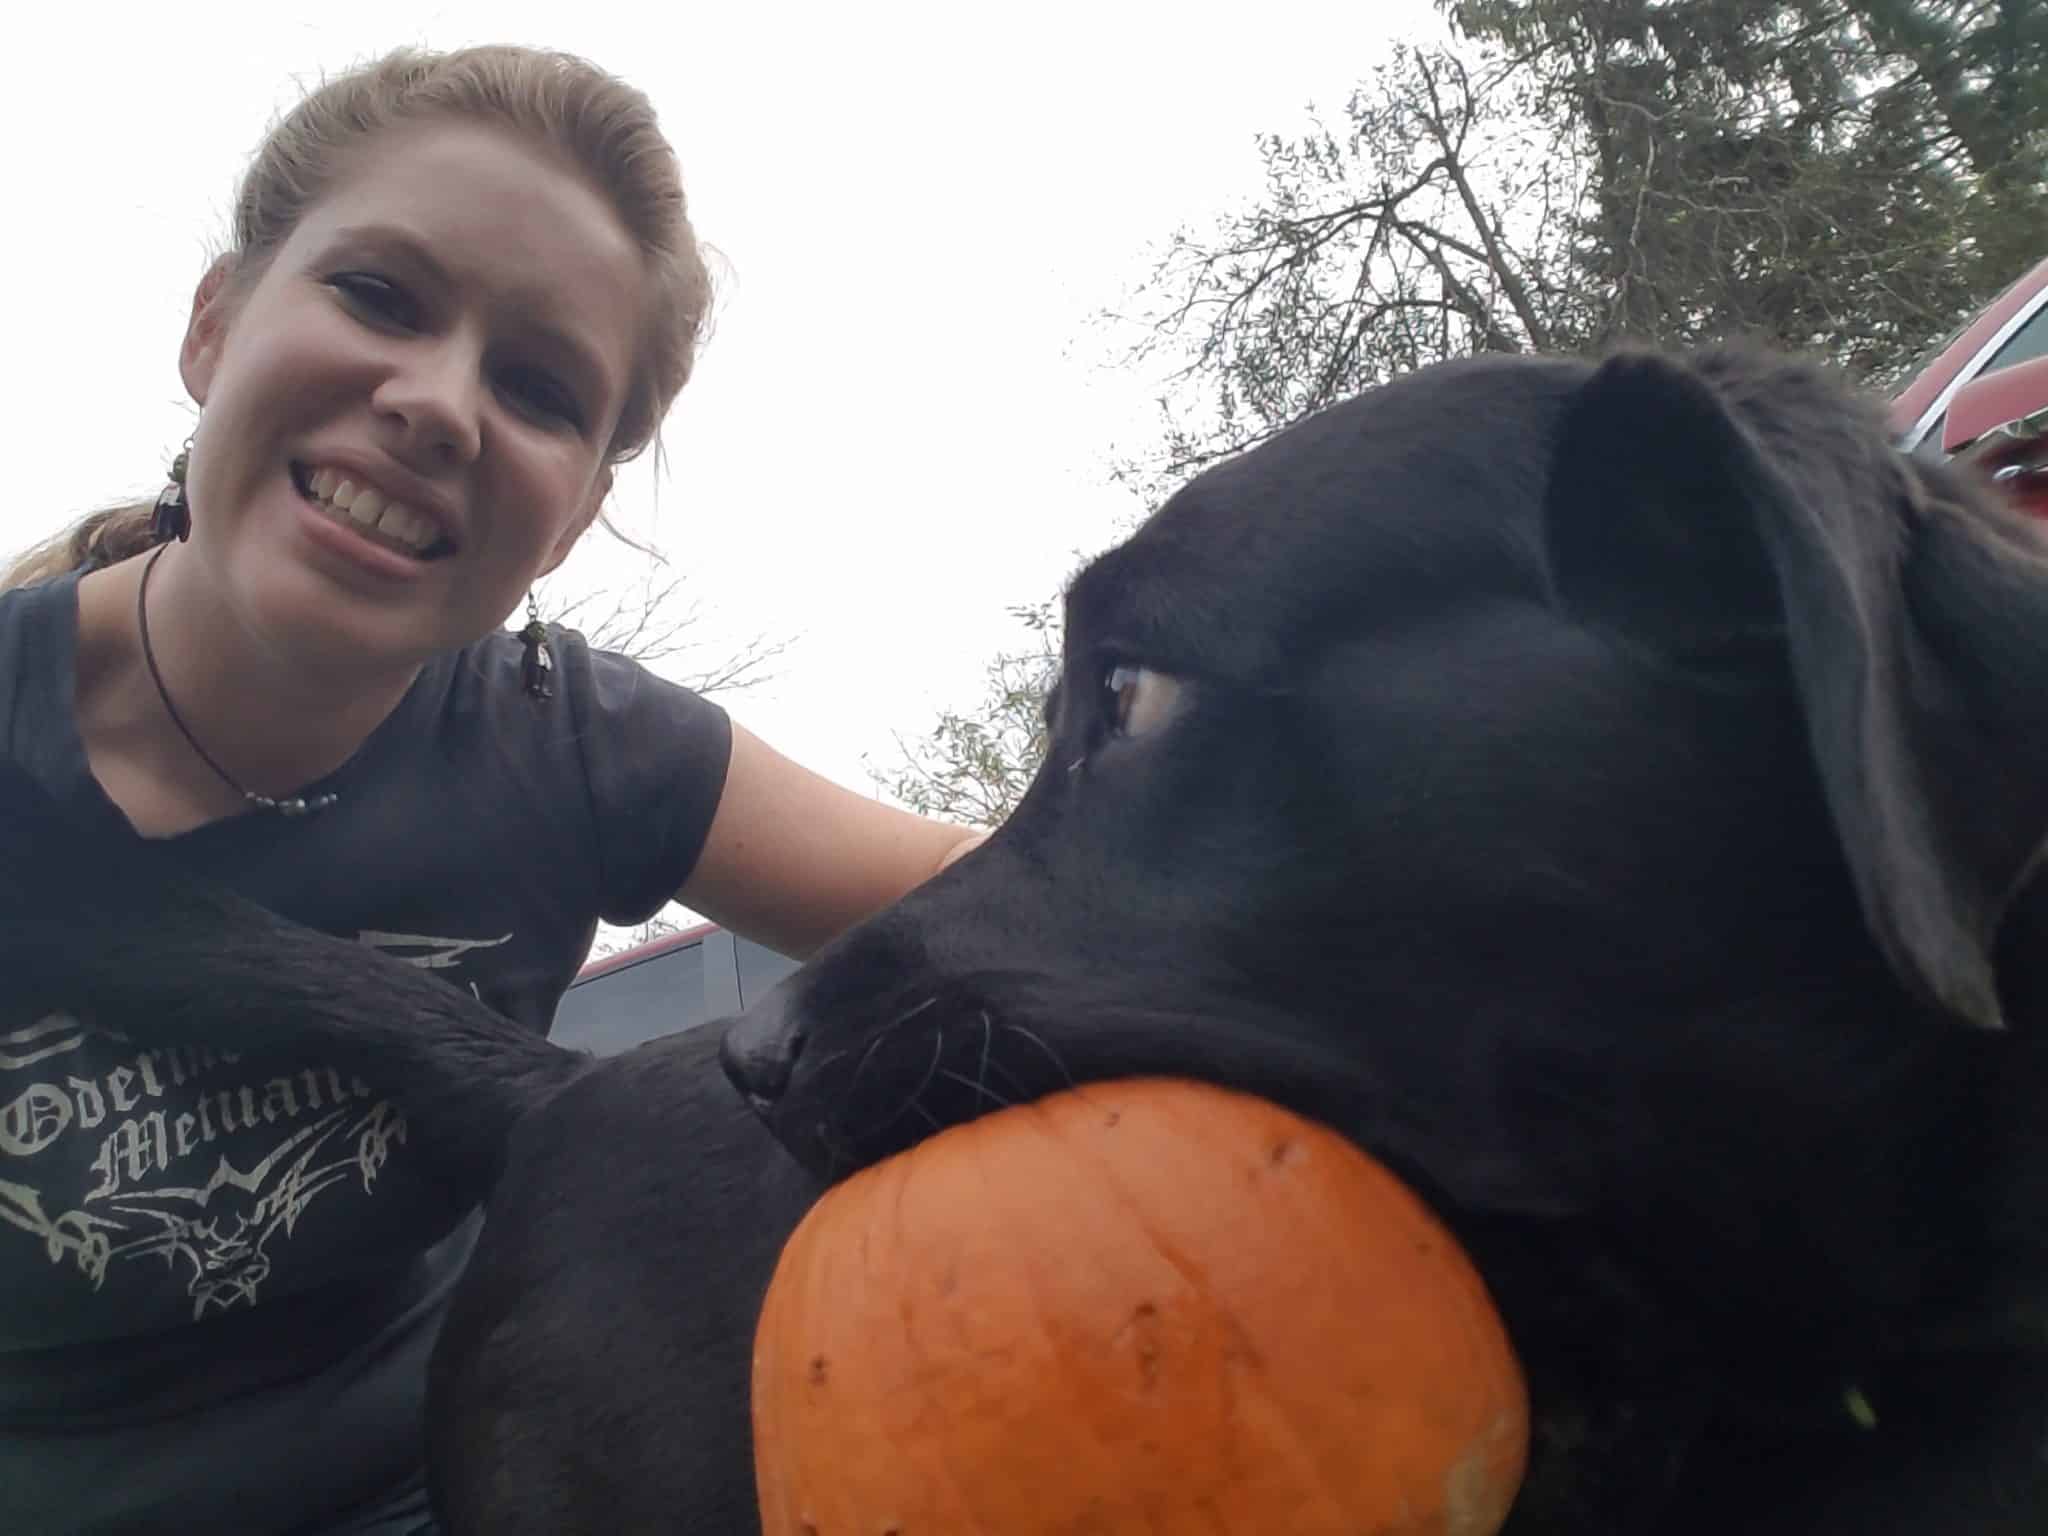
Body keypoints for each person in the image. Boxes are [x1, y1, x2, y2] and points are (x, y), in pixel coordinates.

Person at [0, 44, 982, 1535]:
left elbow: (1036, 900)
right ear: (215, 325)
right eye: (380, 295)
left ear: (578, 513)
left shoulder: (573, 749)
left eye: (536, 386)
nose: (439, 405)